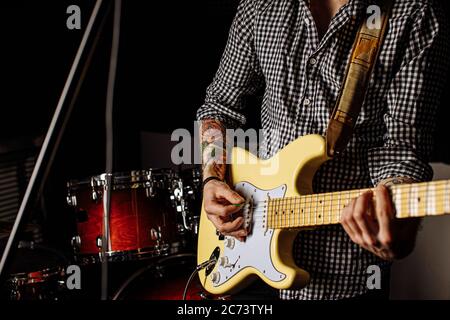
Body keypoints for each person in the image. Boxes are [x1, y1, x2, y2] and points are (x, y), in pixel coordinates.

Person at [196, 0, 449, 300]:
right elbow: (218, 107)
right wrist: (212, 177)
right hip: (246, 261)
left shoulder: (415, 13)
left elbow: (402, 150)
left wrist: (397, 221)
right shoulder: (260, 6)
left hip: (345, 277)